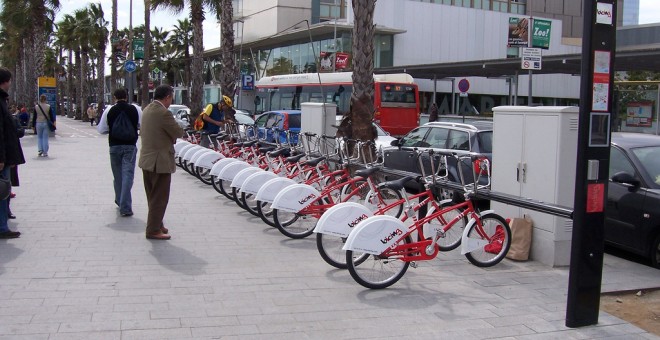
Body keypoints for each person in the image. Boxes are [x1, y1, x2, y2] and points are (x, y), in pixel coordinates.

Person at [138, 85, 183, 240]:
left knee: (152, 195)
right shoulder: (164, 113)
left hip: (147, 159)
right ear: (167, 97)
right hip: (160, 161)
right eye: (171, 98)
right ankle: (152, 230)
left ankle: (157, 224)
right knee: (160, 197)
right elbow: (178, 132)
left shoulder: (147, 110)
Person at [97, 88, 141, 217]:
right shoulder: (135, 109)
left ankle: (119, 200)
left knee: (118, 176)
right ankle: (125, 206)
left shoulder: (109, 110)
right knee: (128, 175)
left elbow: (101, 129)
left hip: (114, 146)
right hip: (130, 146)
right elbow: (141, 124)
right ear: (126, 97)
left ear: (114, 97)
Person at [0, 67, 25, 238]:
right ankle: (2, 226)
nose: (10, 84)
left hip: (6, 154)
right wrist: (2, 157)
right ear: (5, 81)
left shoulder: (3, 100)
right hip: (3, 156)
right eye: (9, 81)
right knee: (2, 190)